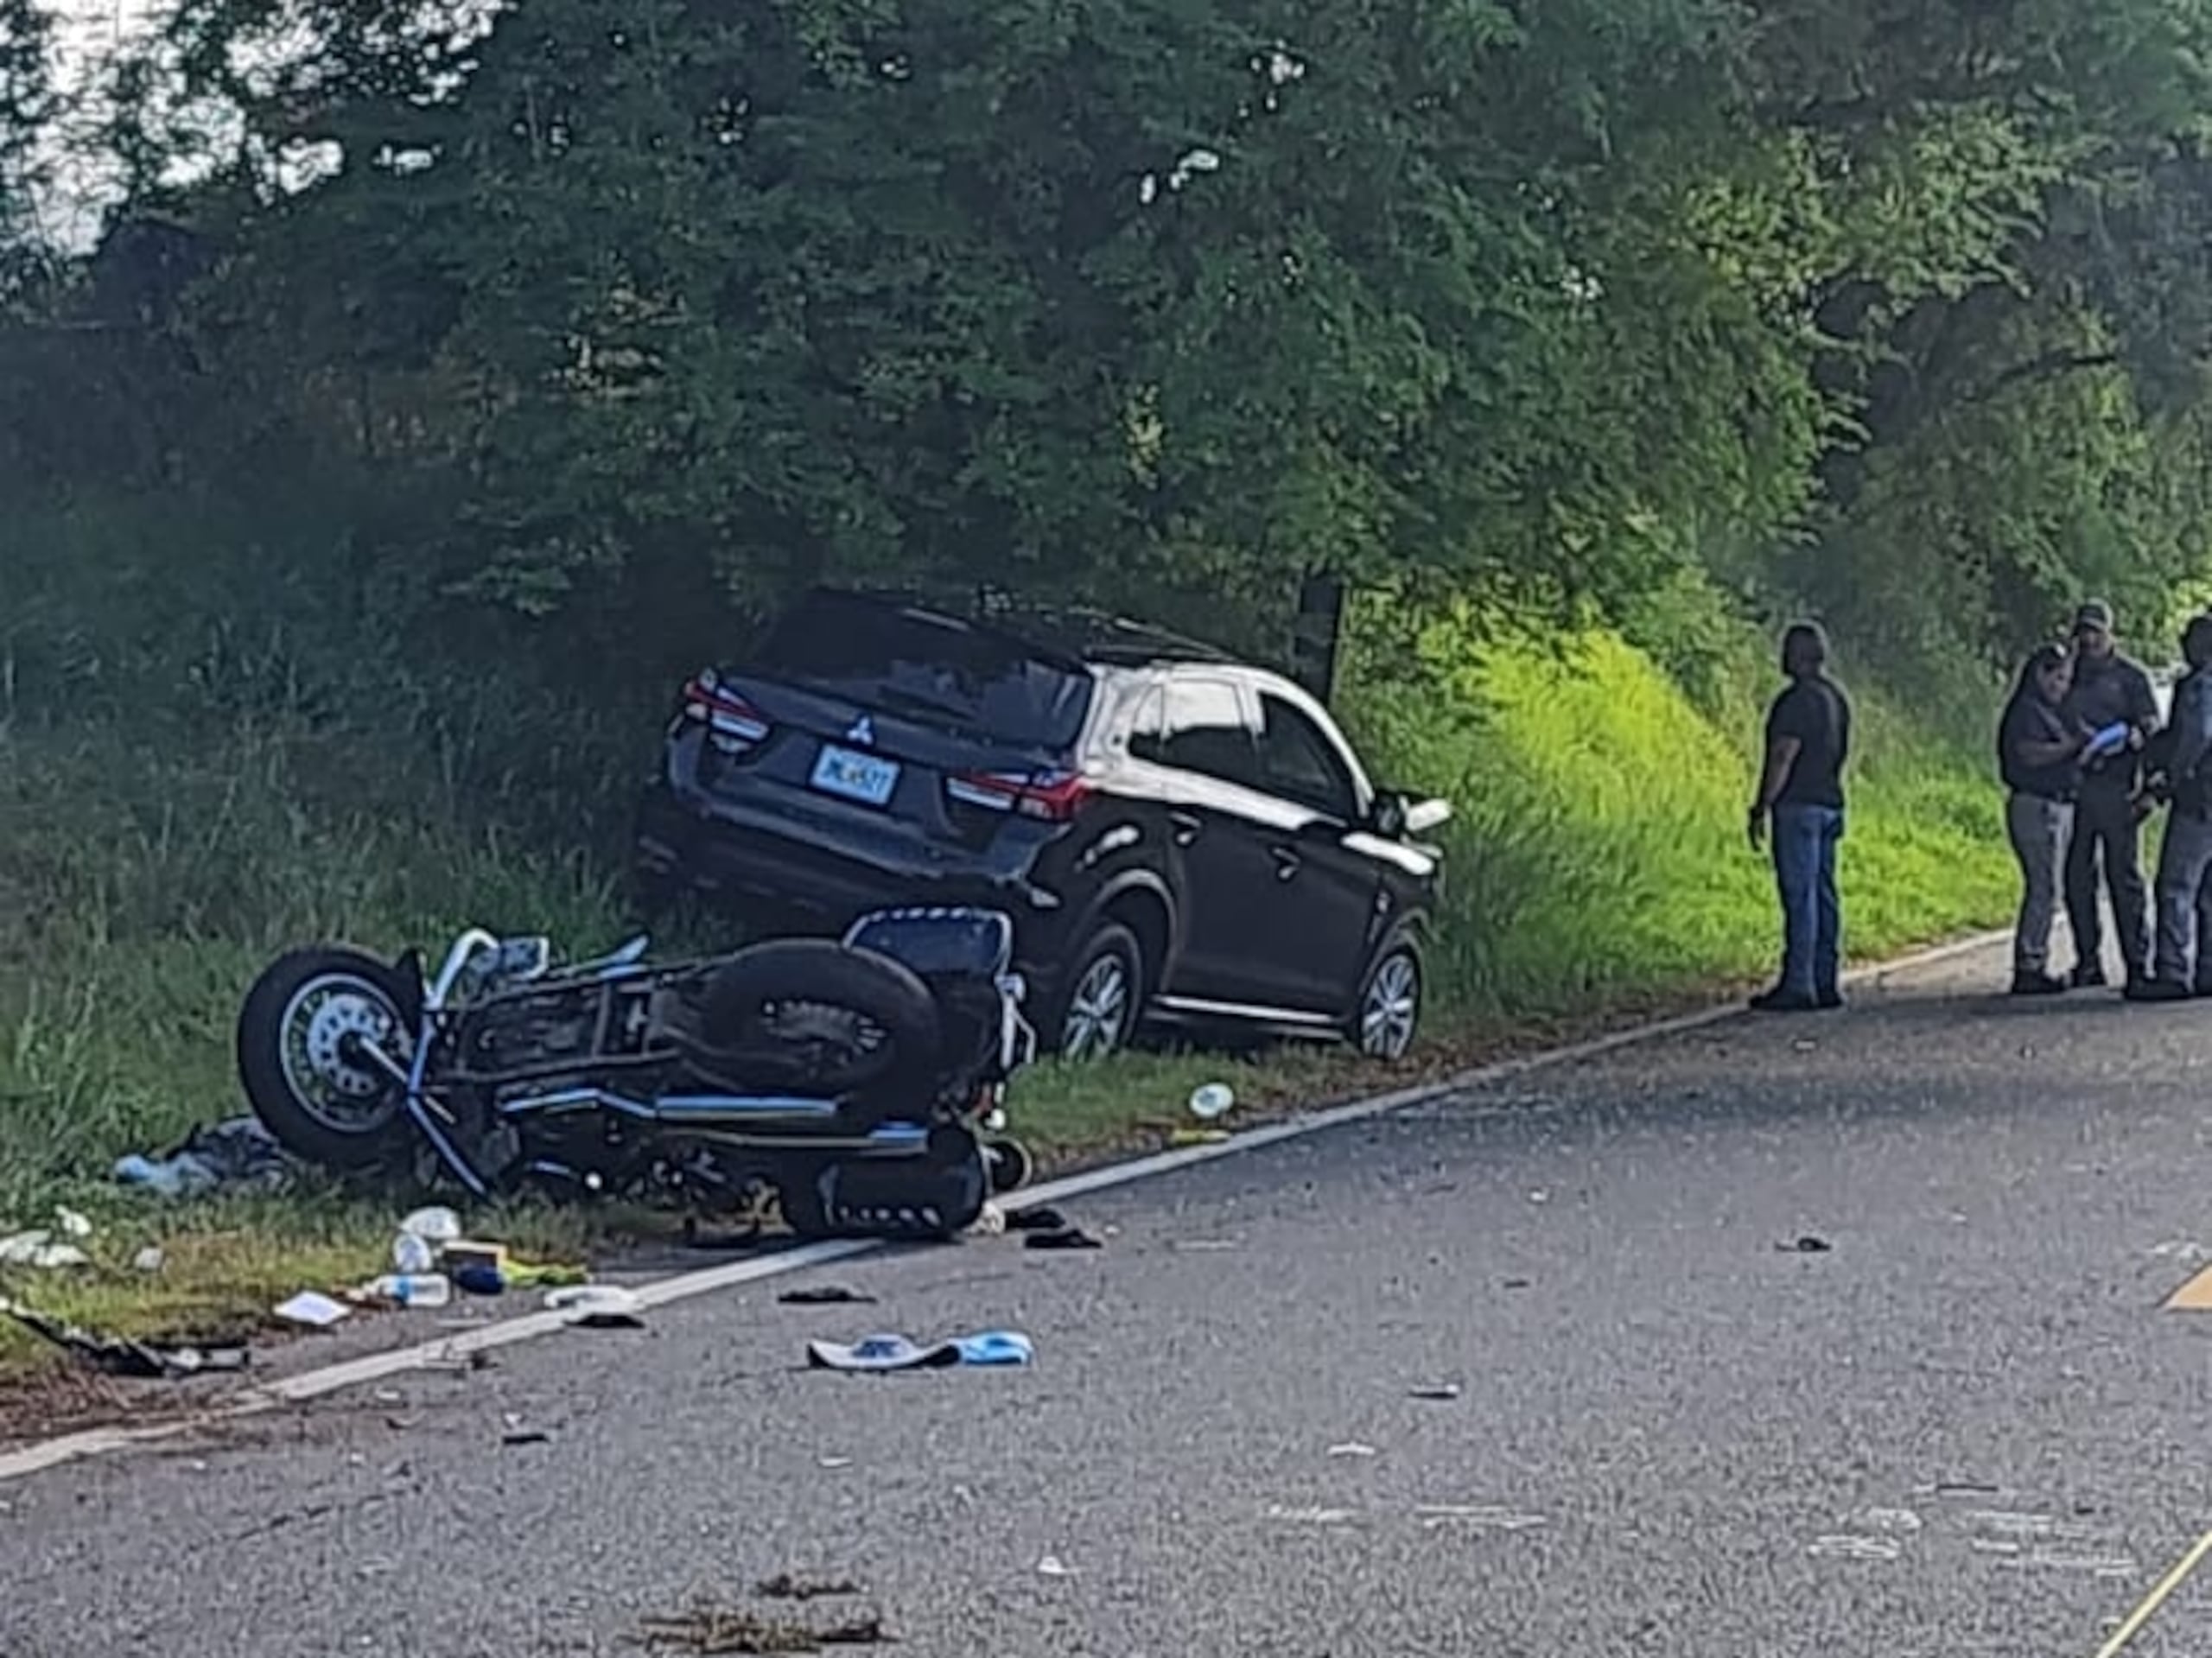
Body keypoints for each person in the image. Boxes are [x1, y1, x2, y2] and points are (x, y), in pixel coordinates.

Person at [1746, 621, 1852, 1012]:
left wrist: (1762, 804)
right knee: (1824, 893)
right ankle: (1826, 978)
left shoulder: (1795, 701)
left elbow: (1782, 756)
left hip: (1799, 806)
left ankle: (1798, 982)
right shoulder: (1835, 699)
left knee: (1800, 895)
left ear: (1796, 656)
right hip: (1830, 801)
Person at [2059, 600, 2160, 989]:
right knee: (2077, 878)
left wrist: (2138, 742)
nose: (2088, 639)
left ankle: (2137, 962)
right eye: (2083, 632)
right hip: (2076, 787)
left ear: (2109, 633)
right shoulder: (2069, 674)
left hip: (2118, 787)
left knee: (2125, 879)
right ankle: (2088, 960)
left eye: (2095, 632)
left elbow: (2153, 730)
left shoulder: (2131, 677)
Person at [1996, 642, 2089, 994]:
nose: (2062, 686)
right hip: (2037, 805)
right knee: (2043, 886)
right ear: (2040, 674)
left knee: (2050, 886)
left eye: (2066, 680)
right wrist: (2072, 747)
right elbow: (2030, 755)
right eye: (2058, 678)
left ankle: (2035, 957)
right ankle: (2030, 962)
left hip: (2060, 802)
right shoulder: (2026, 712)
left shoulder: (2054, 712)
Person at [2128, 613, 2212, 1001]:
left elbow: (2197, 733)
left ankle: (2173, 969)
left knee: (2177, 884)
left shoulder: (2200, 685)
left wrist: (2172, 776)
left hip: (2199, 798)